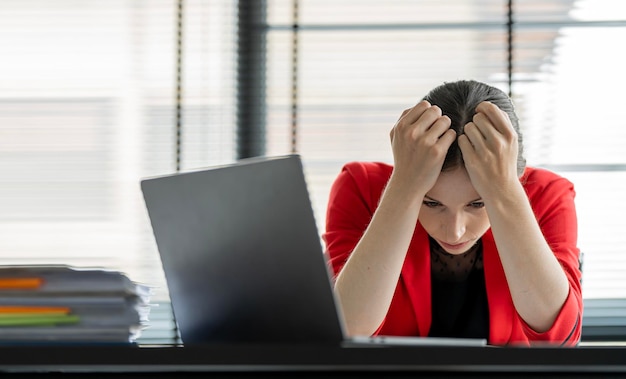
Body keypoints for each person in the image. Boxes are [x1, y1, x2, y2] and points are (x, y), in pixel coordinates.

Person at [323, 80, 582, 346]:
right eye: (432, 203)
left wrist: (503, 191)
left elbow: (559, 340)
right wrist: (404, 186)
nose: (455, 230)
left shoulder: (546, 194)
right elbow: (345, 330)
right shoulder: (361, 187)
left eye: (478, 204)